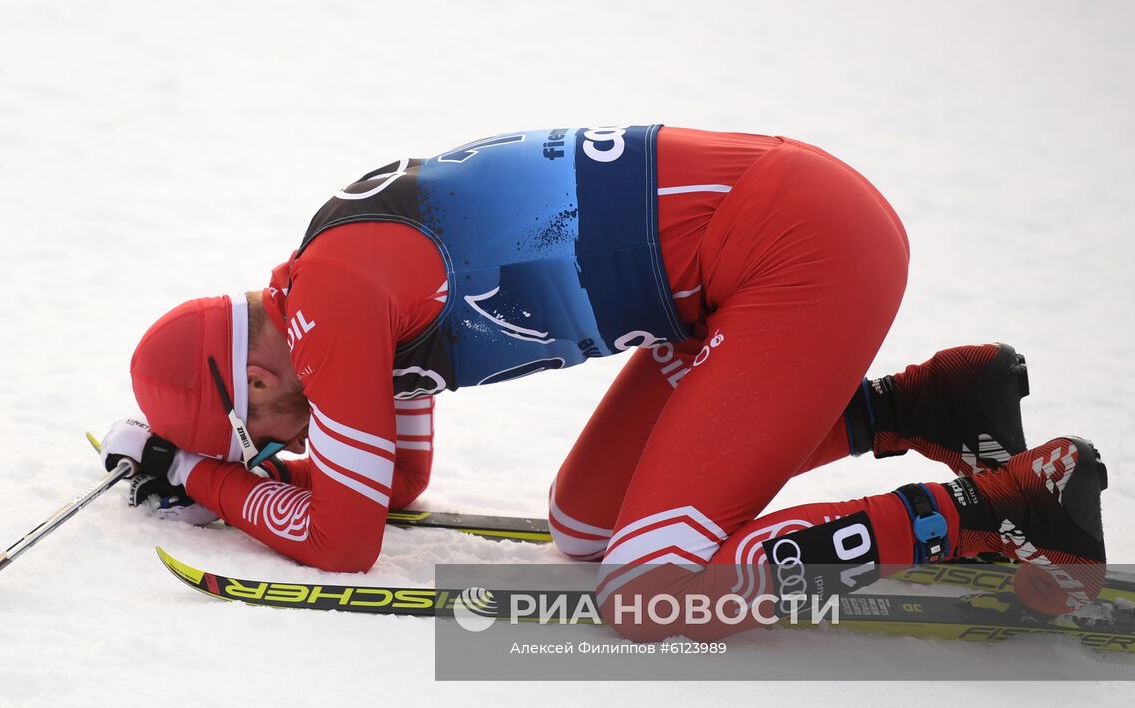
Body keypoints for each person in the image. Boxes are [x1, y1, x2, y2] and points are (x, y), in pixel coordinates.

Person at [100, 125, 1107, 622]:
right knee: (586, 525)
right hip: (747, 264)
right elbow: (391, 486)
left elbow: (345, 536)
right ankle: (925, 404)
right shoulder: (336, 295)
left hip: (798, 252)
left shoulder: (329, 309)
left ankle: (996, 511)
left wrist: (197, 479)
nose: (284, 447)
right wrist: (236, 477)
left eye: (264, 436)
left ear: (254, 380)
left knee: (649, 589)